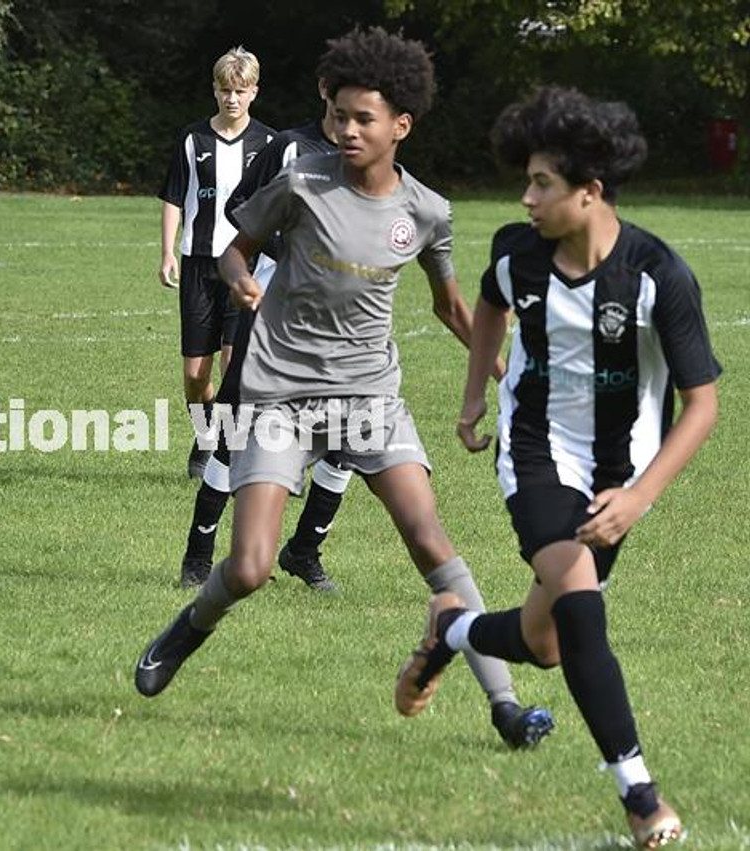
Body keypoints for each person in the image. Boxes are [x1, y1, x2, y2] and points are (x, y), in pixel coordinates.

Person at [136, 27, 553, 750]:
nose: (348, 129)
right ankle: (186, 627)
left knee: (431, 541)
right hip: (279, 394)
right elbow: (236, 253)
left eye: (364, 119)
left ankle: (506, 703)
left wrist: (503, 373)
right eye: (340, 116)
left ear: (402, 125)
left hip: (368, 398)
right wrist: (242, 286)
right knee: (251, 566)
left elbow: (453, 307)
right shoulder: (301, 183)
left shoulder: (427, 211)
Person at [396, 86, 719, 847]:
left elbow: (700, 405)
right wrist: (477, 398)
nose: (526, 196)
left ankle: (455, 630)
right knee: (580, 605)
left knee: (545, 642)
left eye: (542, 183)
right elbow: (487, 305)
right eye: (528, 180)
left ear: (590, 191)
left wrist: (640, 495)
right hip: (536, 450)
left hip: (620, 471)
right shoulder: (518, 253)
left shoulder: (656, 276)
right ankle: (638, 790)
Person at [180, 65, 353, 593]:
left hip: (339, 319)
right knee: (234, 427)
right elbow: (238, 207)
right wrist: (288, 252)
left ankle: (305, 550)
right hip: (273, 309)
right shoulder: (288, 147)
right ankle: (198, 554)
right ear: (325, 90)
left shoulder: (373, 153)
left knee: (348, 433)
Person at [158, 46, 275, 480]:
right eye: (225, 90)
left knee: (233, 367)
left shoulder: (268, 143)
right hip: (198, 265)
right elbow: (174, 197)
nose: (232, 98)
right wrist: (168, 251)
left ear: (254, 93)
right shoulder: (193, 139)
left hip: (246, 266)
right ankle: (207, 435)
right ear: (215, 90)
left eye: (240, 91)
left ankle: (231, 457)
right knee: (195, 375)